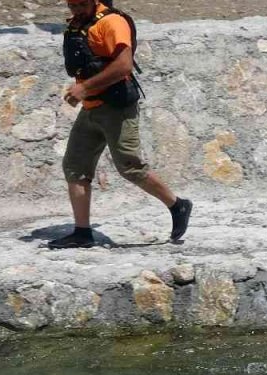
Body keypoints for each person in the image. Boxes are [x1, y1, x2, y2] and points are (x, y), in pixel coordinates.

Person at [50, 0, 192, 249]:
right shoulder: (78, 25)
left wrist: (84, 87)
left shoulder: (112, 23)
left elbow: (124, 65)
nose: (76, 10)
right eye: (71, 5)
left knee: (130, 167)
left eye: (81, 4)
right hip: (91, 108)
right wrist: (84, 91)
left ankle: (177, 205)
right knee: (75, 167)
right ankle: (82, 232)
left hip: (117, 109)